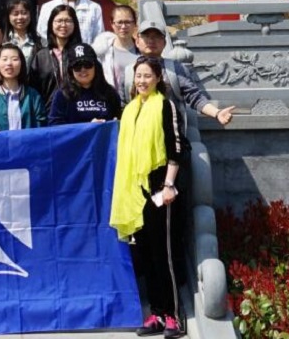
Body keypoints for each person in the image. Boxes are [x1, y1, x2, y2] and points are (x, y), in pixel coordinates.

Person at [110, 56, 187, 339]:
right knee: (146, 255)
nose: (142, 81)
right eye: (138, 76)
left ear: (158, 79)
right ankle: (156, 313)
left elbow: (176, 147)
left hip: (160, 187)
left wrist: (169, 185)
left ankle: (174, 316)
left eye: (147, 76)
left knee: (164, 254)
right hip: (136, 192)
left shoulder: (165, 106)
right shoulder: (130, 109)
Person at [124, 20, 236, 128]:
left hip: (169, 132)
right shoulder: (129, 71)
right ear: (137, 41)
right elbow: (122, 103)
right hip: (136, 133)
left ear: (164, 43)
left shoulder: (175, 69)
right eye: (146, 36)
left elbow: (194, 97)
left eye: (157, 36)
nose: (151, 40)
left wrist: (217, 113)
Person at [0, 44, 47, 132]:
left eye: (14, 59)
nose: (9, 63)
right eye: (4, 59)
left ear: (22, 64)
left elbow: (42, 125)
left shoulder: (33, 96)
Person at [48, 43, 122, 125]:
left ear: (95, 66)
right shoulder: (63, 95)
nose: (83, 70)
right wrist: (88, 127)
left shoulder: (110, 93)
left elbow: (120, 120)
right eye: (77, 66)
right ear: (71, 70)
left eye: (87, 64)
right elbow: (55, 126)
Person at [31, 5, 83, 109]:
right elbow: (33, 89)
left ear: (75, 24)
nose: (63, 25)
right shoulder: (41, 56)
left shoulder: (82, 53)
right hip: (48, 112)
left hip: (78, 110)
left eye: (68, 21)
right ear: (51, 24)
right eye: (59, 21)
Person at [93, 4, 139, 103]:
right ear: (112, 24)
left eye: (128, 22)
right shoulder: (102, 52)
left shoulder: (142, 51)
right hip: (109, 102)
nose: (123, 26)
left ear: (135, 24)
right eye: (119, 22)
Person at [6, 0, 41, 70]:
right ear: (8, 17)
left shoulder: (41, 41)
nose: (20, 17)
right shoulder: (3, 41)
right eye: (15, 14)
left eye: (24, 13)